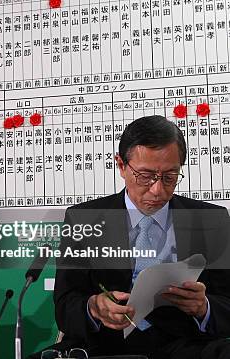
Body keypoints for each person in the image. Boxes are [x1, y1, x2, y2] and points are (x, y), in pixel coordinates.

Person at [45, 115, 230, 358]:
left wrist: (203, 308)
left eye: (169, 177)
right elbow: (65, 306)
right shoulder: (83, 219)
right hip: (106, 346)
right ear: (121, 166)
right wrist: (94, 308)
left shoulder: (211, 219)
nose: (157, 189)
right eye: (145, 176)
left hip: (186, 343)